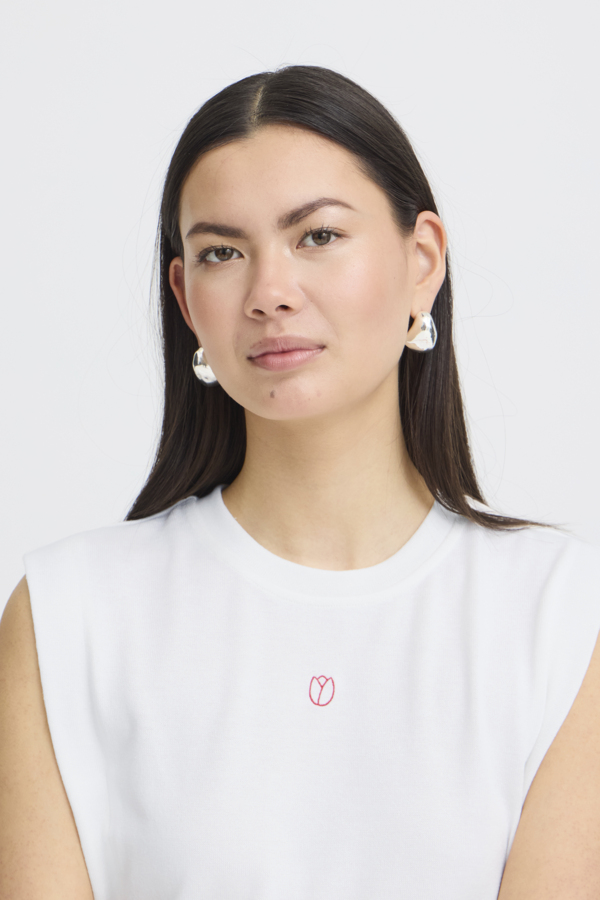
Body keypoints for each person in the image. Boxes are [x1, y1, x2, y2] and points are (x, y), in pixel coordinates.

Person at [1, 65, 600, 900]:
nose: (270, 294)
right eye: (221, 253)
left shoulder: (559, 614)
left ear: (422, 260)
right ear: (185, 298)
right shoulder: (69, 616)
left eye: (317, 236)